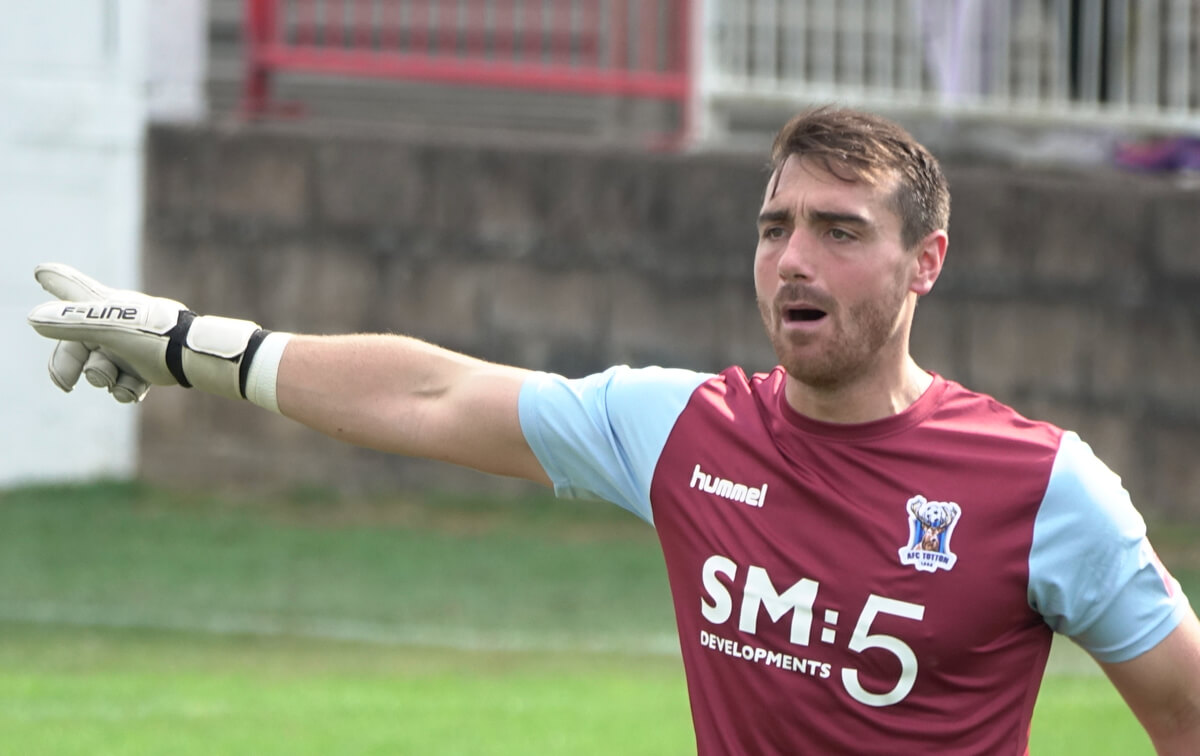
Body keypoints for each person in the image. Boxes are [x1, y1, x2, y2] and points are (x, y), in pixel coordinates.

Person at [26, 106, 1200, 755]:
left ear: (925, 263)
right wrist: (191, 343)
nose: (793, 258)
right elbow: (437, 395)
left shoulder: (1045, 488)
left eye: (841, 231)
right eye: (774, 225)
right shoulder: (683, 427)